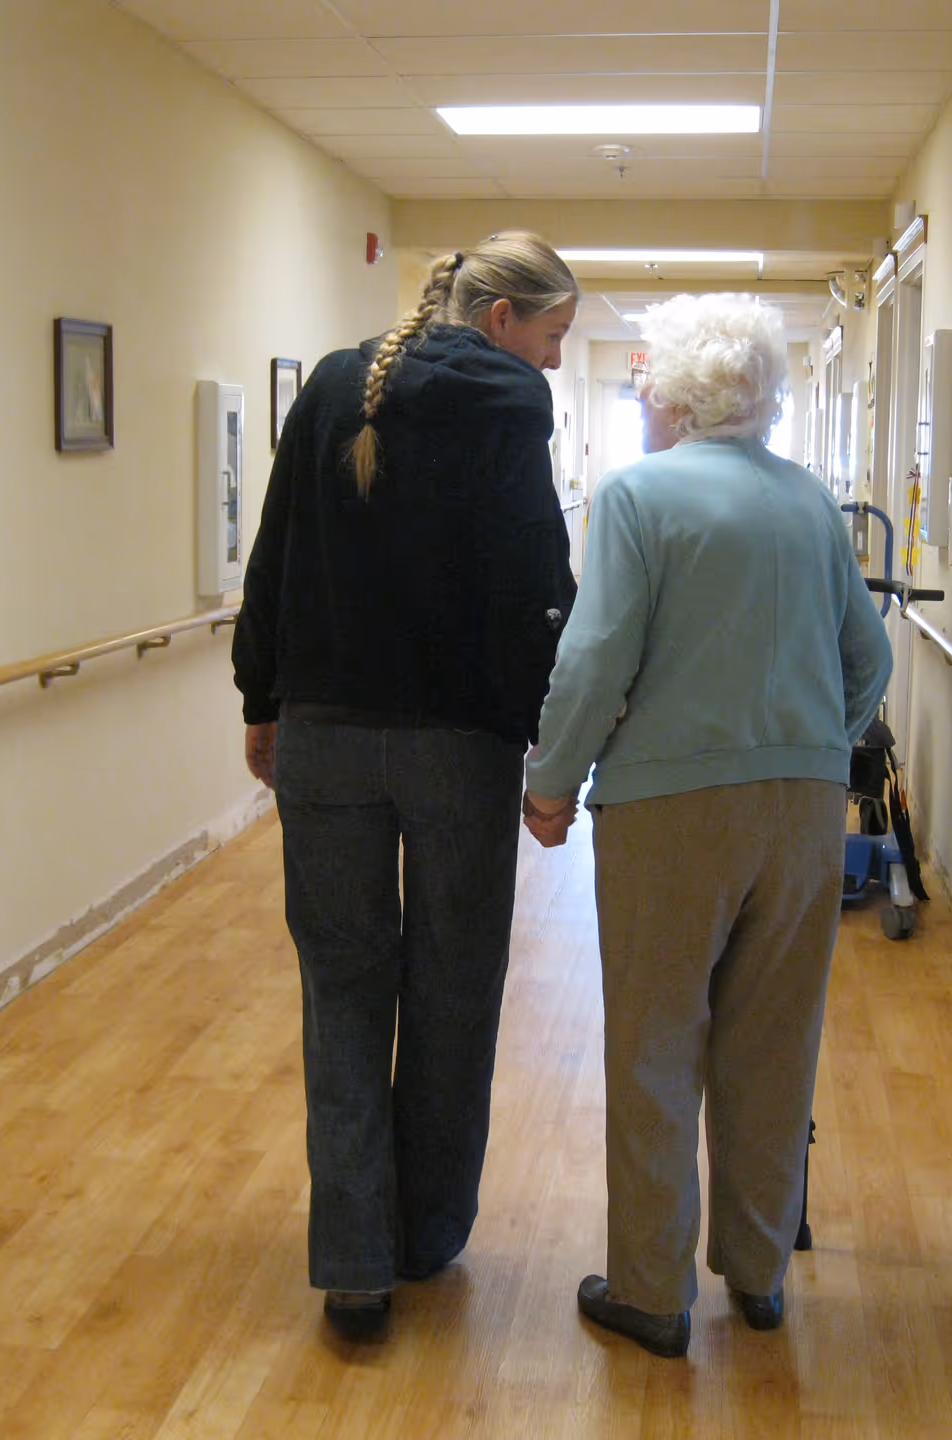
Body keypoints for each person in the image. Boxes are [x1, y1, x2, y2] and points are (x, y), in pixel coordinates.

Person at [523, 293, 893, 1358]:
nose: (640, 402)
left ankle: (651, 1290)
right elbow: (869, 661)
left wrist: (551, 783)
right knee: (772, 1046)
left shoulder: (639, 497)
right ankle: (761, 1272)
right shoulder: (811, 504)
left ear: (677, 395)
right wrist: (815, 743)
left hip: (669, 813)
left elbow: (594, 660)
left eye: (646, 385)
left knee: (654, 1045)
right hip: (803, 812)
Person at [232, 233, 579, 1340]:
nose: (557, 362)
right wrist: (541, 738)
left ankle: (353, 1263)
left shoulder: (338, 381)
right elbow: (537, 587)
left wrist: (261, 698)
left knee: (340, 991)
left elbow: (275, 552)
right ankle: (426, 1234)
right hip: (457, 749)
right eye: (554, 335)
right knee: (452, 987)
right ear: (500, 321)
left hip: (327, 739)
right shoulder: (511, 407)